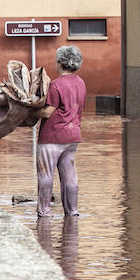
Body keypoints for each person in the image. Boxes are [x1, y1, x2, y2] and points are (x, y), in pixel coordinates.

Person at [34, 45, 86, 218]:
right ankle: (72, 211)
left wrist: (28, 112)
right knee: (69, 175)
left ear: (61, 63)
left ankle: (44, 211)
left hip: (52, 136)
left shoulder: (56, 85)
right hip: (73, 136)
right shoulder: (81, 83)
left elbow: (48, 111)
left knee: (46, 175)